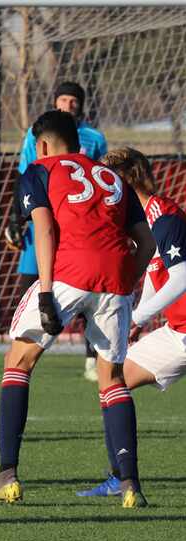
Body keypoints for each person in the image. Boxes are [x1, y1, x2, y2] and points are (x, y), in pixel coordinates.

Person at [0, 110, 155, 508]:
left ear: (41, 145)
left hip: (67, 272)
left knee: (18, 361)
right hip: (115, 278)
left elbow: (42, 228)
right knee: (111, 378)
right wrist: (129, 282)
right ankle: (130, 484)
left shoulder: (38, 169)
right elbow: (145, 242)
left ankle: (7, 474)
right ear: (79, 142)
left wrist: (44, 292)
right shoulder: (111, 176)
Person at [78, 148, 186, 497]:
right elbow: (158, 277)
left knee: (112, 379)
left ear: (128, 176)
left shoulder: (164, 215)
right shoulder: (144, 219)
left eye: (108, 175)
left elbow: (183, 276)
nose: (102, 182)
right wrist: (140, 318)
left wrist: (137, 317)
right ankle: (120, 477)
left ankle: (121, 478)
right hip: (177, 332)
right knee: (112, 378)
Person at [5, 82, 108, 382]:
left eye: (73, 100)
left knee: (88, 293)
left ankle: (93, 357)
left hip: (77, 227)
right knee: (29, 284)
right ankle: (22, 348)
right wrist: (15, 218)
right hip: (42, 221)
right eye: (63, 98)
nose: (68, 104)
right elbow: (26, 173)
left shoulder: (94, 138)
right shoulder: (37, 134)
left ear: (81, 105)